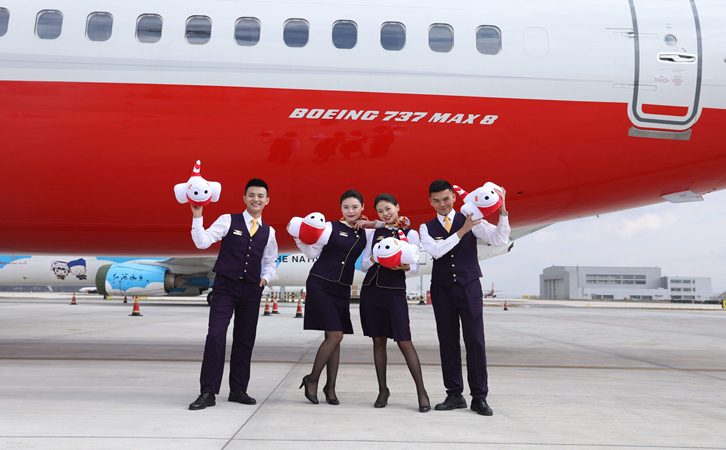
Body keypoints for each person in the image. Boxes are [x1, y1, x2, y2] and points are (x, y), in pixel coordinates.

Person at [419, 180, 510, 416]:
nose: (442, 204)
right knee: (447, 341)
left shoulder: (472, 218)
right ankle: (454, 394)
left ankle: (479, 397)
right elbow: (438, 251)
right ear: (430, 201)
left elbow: (499, 240)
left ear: (454, 198)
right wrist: (462, 231)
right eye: (436, 200)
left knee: (475, 341)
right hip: (442, 289)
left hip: (469, 286)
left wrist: (502, 212)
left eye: (446, 199)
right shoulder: (426, 228)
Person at [187, 178, 278, 410]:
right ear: (244, 198)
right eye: (251, 195)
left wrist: (264, 279)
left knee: (245, 340)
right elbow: (202, 242)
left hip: (251, 290)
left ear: (267, 200)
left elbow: (270, 261)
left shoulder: (269, 232)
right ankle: (208, 392)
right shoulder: (228, 220)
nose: (255, 199)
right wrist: (198, 216)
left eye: (260, 196)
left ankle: (238, 389)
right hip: (225, 287)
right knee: (216, 337)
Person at [292, 190, 377, 405]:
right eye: (346, 207)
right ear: (341, 209)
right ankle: (312, 380)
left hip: (341, 288)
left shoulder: (366, 233)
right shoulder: (329, 227)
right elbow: (312, 253)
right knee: (336, 335)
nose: (351, 211)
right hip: (320, 283)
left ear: (362, 208)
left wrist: (371, 223)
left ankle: (330, 388)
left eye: (355, 207)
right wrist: (298, 238)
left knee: (334, 338)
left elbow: (389, 227)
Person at [359, 193, 431, 412]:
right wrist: (374, 258)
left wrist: (407, 268)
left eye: (388, 208)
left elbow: (417, 264)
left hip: (395, 292)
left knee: (404, 340)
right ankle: (383, 390)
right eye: (380, 211)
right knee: (378, 341)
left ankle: (422, 392)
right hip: (372, 291)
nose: (385, 214)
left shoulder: (411, 234)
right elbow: (362, 265)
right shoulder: (373, 233)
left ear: (397, 207)